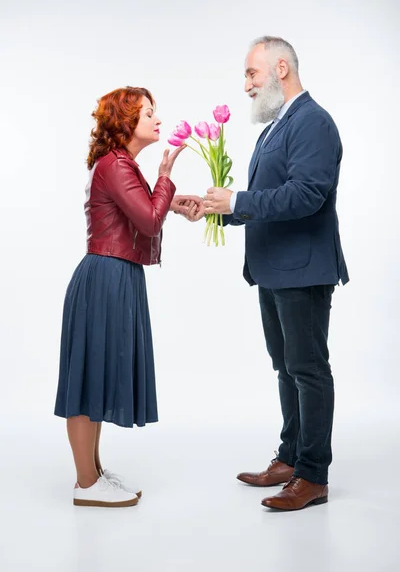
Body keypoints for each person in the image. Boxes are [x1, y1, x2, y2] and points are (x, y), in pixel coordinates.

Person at [203, 37, 349, 511]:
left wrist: (239, 201)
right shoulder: (276, 128)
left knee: (308, 371)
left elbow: (307, 194)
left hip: (303, 271)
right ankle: (290, 458)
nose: (246, 85)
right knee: (286, 368)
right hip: (274, 269)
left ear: (280, 68)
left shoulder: (313, 122)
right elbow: (268, 200)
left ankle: (313, 476)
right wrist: (213, 210)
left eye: (252, 73)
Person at [54, 86, 200, 508]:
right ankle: (86, 484)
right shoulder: (116, 165)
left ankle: (93, 473)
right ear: (125, 121)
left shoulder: (121, 165)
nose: (157, 119)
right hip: (106, 277)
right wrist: (167, 181)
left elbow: (143, 212)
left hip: (114, 275)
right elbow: (148, 222)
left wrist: (172, 202)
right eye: (148, 112)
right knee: (86, 379)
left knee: (94, 375)